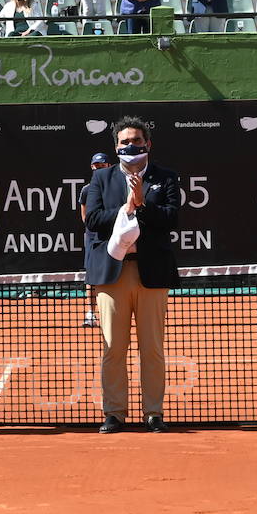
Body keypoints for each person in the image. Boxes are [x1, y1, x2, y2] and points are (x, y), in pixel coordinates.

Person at [84, 116, 178, 434]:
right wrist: (127, 207)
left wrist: (142, 205)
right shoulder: (101, 180)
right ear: (116, 146)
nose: (130, 146)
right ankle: (114, 413)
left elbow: (171, 217)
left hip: (151, 273)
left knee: (151, 347)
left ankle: (153, 412)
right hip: (113, 274)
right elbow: (93, 219)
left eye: (136, 141)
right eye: (124, 142)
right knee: (113, 347)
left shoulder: (165, 178)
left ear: (147, 144)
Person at [79, 152, 112, 326]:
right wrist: (97, 225)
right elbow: (84, 216)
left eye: (101, 165)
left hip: (113, 238)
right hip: (93, 239)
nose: (98, 168)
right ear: (92, 167)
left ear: (108, 166)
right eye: (95, 165)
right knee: (91, 278)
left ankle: (113, 313)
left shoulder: (116, 186)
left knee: (115, 274)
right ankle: (91, 313)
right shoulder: (86, 190)